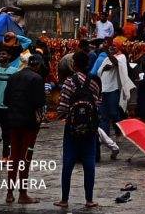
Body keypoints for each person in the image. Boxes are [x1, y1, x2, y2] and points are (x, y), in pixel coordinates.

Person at [55, 50, 102, 209]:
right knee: (89, 163)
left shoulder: (69, 82)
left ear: (74, 64)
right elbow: (97, 105)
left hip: (72, 129)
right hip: (90, 130)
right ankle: (89, 199)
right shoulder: (94, 82)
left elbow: (62, 106)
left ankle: (64, 199)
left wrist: (66, 116)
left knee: (67, 163)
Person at [4, 54, 46, 204]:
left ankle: (9, 193)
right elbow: (39, 103)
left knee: (13, 157)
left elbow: (6, 100)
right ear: (39, 65)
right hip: (29, 124)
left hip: (13, 122)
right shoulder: (36, 79)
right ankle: (23, 194)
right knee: (25, 158)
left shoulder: (13, 77)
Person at [96, 42, 136, 140]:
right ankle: (104, 136)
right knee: (104, 114)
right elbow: (99, 71)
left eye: (114, 46)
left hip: (114, 89)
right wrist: (105, 68)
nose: (112, 48)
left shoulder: (121, 57)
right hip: (104, 89)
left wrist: (108, 53)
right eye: (111, 46)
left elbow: (117, 63)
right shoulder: (106, 58)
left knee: (114, 113)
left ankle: (119, 132)